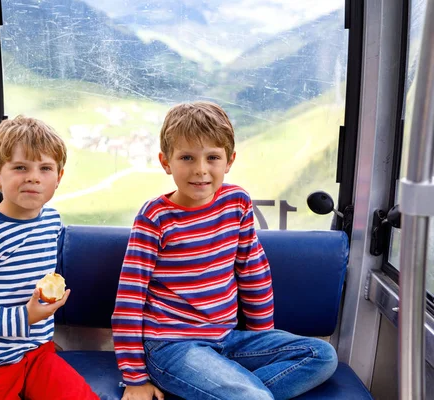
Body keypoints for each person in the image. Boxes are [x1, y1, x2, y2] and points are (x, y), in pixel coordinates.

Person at [111, 101, 338, 400]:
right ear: (166, 162)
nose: (200, 170)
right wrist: (135, 378)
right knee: (253, 397)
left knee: (322, 356)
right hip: (171, 346)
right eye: (187, 158)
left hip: (228, 339)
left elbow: (252, 271)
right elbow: (130, 299)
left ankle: (213, 389)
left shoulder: (237, 202)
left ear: (229, 161)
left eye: (212, 158)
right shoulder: (155, 218)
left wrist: (262, 338)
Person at [0, 116, 98, 400]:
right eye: (21, 167)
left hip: (36, 355)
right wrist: (24, 317)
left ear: (58, 178)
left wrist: (40, 337)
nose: (34, 177)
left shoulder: (50, 221)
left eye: (45, 168)